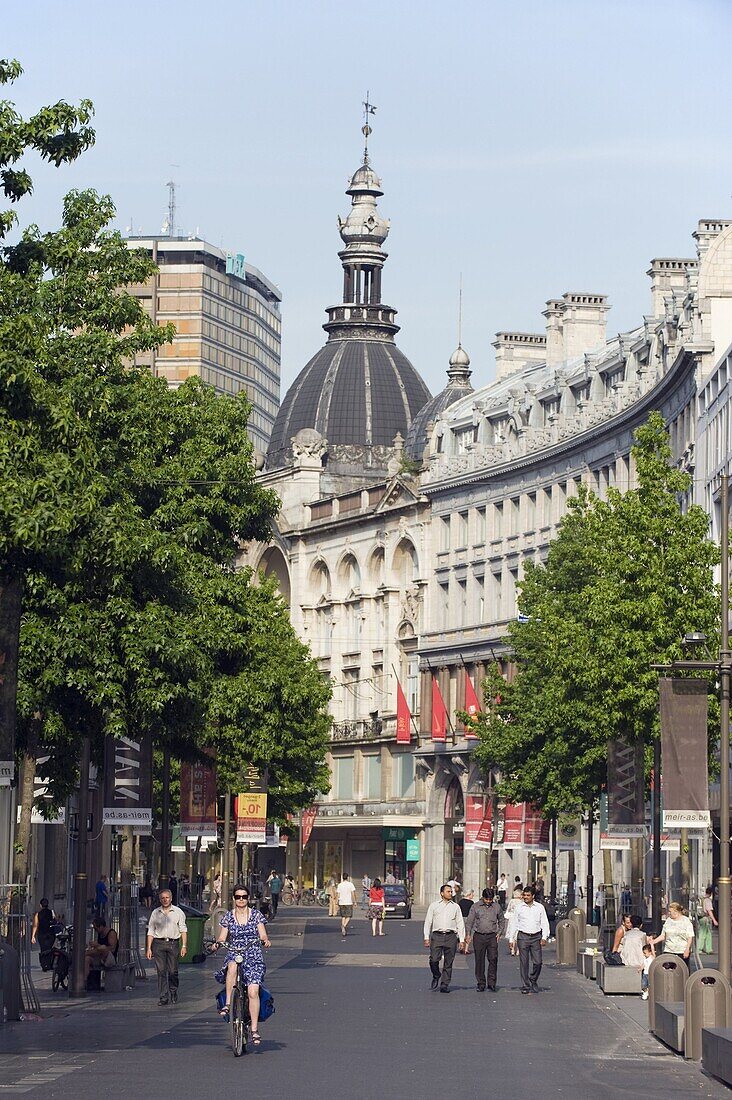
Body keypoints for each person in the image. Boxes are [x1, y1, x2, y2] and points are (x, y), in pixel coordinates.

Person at [214, 885, 271, 1045]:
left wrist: (265, 940)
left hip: (252, 953)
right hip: (235, 951)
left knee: (253, 991)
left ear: (248, 898)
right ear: (234, 898)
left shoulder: (256, 915)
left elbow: (263, 933)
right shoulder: (228, 917)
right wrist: (217, 945)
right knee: (232, 966)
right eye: (238, 896)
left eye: (244, 897)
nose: (241, 900)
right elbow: (222, 937)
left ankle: (254, 1029)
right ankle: (228, 1004)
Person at [146, 888, 188, 1005]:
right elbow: (150, 931)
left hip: (173, 943)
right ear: (160, 899)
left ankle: (173, 990)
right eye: (162, 898)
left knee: (173, 971)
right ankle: (163, 996)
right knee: (161, 971)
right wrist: (149, 948)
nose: (165, 900)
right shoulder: (155, 913)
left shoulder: (178, 912)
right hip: (158, 943)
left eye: (167, 898)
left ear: (171, 898)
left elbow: (183, 929)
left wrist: (184, 946)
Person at [423, 883, 466, 993]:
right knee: (433, 959)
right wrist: (426, 937)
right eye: (448, 891)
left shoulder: (455, 906)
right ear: (442, 893)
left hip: (451, 936)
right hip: (437, 935)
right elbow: (428, 921)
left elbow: (460, 923)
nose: (450, 893)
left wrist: (462, 939)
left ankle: (444, 984)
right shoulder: (434, 905)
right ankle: (436, 974)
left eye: (451, 891)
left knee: (448, 962)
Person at [507, 885, 550, 994]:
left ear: (533, 896)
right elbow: (514, 923)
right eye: (524, 895)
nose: (525, 897)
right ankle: (525, 985)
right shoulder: (519, 908)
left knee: (538, 962)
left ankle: (533, 979)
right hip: (523, 937)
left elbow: (544, 923)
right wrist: (511, 939)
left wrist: (544, 937)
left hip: (536, 937)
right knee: (524, 962)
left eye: (528, 895)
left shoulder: (539, 907)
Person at [465, 888, 504, 992]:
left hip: (492, 936)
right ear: (483, 897)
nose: (488, 901)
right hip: (479, 936)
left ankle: (492, 983)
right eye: (486, 899)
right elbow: (469, 921)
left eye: (490, 899)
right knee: (479, 960)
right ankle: (481, 983)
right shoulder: (475, 906)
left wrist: (499, 933)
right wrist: (468, 934)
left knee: (493, 959)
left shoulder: (496, 907)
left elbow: (501, 920)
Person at [85, 917, 119, 983]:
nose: (95, 930)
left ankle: (86, 953)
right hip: (99, 957)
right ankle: (84, 980)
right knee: (87, 959)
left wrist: (97, 945)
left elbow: (112, 949)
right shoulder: (99, 934)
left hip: (109, 958)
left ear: (101, 926)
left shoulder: (111, 933)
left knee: (102, 947)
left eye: (96, 928)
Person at [31, 898, 57, 971]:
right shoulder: (51, 912)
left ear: (40, 905)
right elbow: (56, 920)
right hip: (51, 934)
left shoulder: (38, 914)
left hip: (42, 934)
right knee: (49, 948)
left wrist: (33, 936)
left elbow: (35, 925)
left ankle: (44, 964)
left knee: (43, 949)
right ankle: (49, 964)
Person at [504, 885, 523, 956]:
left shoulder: (512, 901)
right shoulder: (522, 902)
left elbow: (508, 910)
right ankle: (518, 950)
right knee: (518, 935)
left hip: (512, 919)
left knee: (512, 935)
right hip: (519, 919)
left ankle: (512, 950)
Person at [698, 886, 718, 954]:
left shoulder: (702, 899)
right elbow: (709, 911)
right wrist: (714, 920)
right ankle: (700, 948)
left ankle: (708, 949)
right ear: (711, 894)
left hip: (701, 918)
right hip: (706, 918)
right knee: (704, 934)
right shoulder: (708, 900)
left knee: (707, 934)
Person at [337, 873, 357, 938]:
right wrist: (355, 901)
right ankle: (344, 926)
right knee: (348, 916)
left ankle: (343, 925)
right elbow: (353, 893)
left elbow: (338, 894)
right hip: (348, 902)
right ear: (347, 877)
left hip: (341, 902)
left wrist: (337, 902)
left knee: (343, 916)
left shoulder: (340, 885)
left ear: (342, 877)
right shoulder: (350, 884)